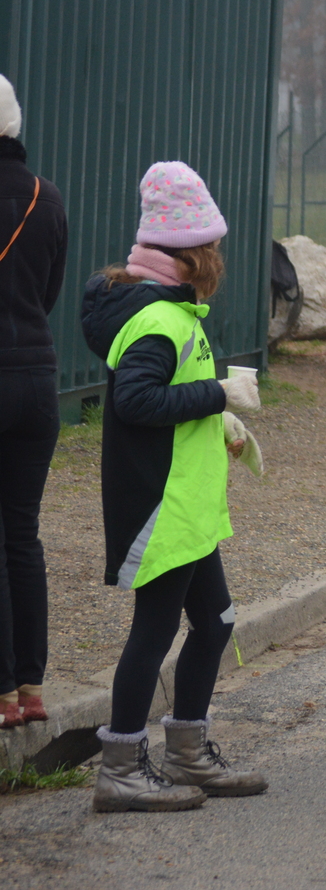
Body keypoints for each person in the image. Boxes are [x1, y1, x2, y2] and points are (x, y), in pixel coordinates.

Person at [80, 162, 268, 812]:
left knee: (214, 625)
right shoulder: (159, 319)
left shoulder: (170, 312)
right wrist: (218, 393)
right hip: (162, 507)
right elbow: (136, 402)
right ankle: (120, 768)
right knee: (154, 632)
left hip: (188, 507)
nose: (219, 260)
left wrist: (220, 421)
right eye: (212, 248)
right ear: (190, 256)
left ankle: (186, 753)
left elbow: (162, 397)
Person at [0, 75, 67, 731]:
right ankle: (31, 686)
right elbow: (48, 293)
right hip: (37, 380)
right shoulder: (48, 198)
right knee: (21, 534)